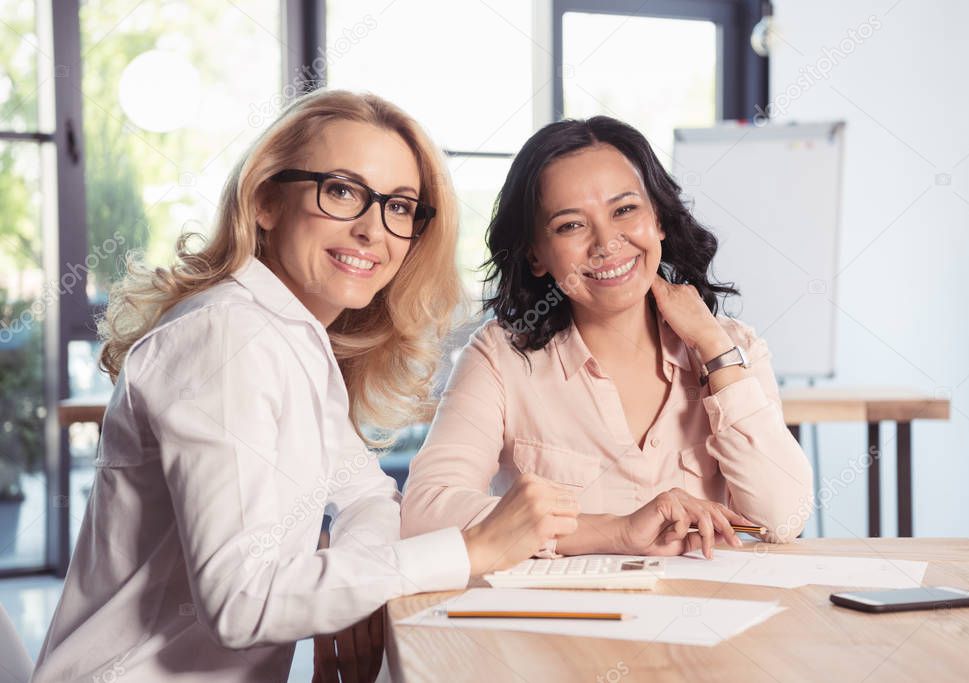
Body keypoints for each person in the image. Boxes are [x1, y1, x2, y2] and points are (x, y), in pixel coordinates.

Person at [31, 90, 578, 683]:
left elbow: (367, 498)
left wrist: (352, 584)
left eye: (399, 206)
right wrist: (467, 553)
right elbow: (242, 602)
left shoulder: (290, 337)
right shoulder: (229, 339)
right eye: (342, 191)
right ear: (266, 199)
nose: (374, 230)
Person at [401, 116, 813, 559]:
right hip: (560, 622)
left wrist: (714, 350)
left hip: (706, 618)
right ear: (536, 255)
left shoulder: (732, 347)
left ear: (659, 220)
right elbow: (424, 513)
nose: (607, 243)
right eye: (570, 226)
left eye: (624, 210)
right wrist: (612, 531)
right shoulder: (501, 356)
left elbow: (783, 518)